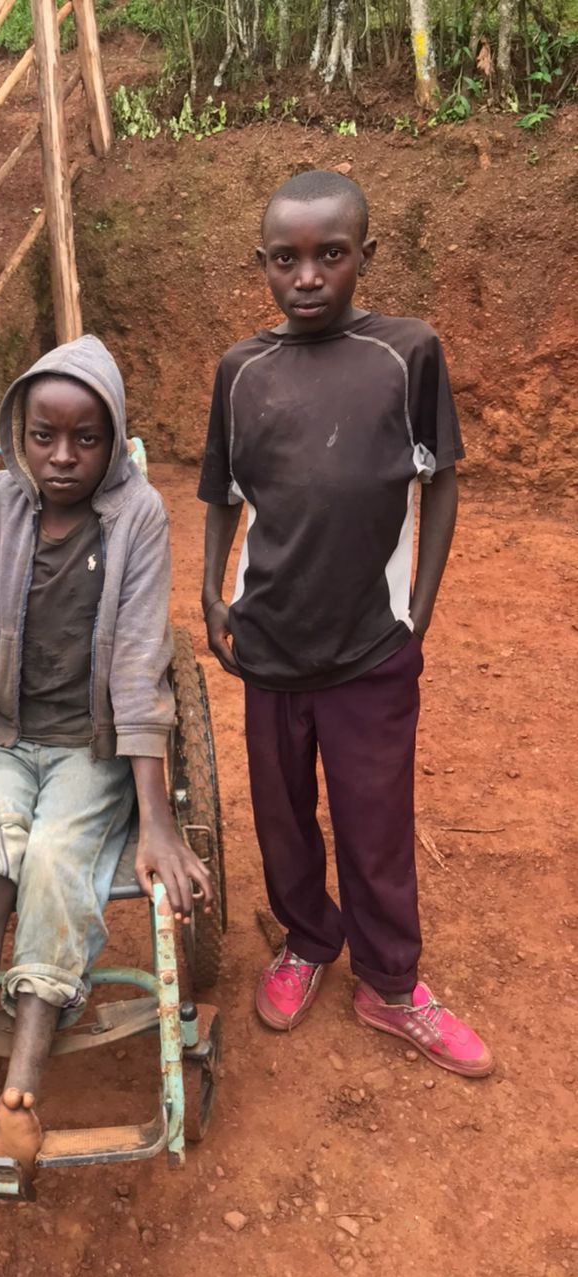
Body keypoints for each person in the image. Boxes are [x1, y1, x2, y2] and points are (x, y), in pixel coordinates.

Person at [0, 334, 212, 1175]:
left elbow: (140, 669)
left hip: (90, 752)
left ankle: (18, 1096)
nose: (63, 456)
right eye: (44, 436)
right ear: (19, 433)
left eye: (86, 439)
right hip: (0, 738)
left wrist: (158, 823)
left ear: (114, 442)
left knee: (58, 856)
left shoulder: (138, 517)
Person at [199, 170, 492, 1077]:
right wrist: (210, 593)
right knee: (283, 816)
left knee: (376, 817)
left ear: (366, 255)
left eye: (330, 255)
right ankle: (305, 940)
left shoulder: (407, 354)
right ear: (261, 263)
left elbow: (440, 480)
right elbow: (223, 493)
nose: (308, 277)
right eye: (285, 260)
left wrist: (421, 609)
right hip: (270, 643)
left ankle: (392, 982)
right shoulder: (242, 372)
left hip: (371, 645)